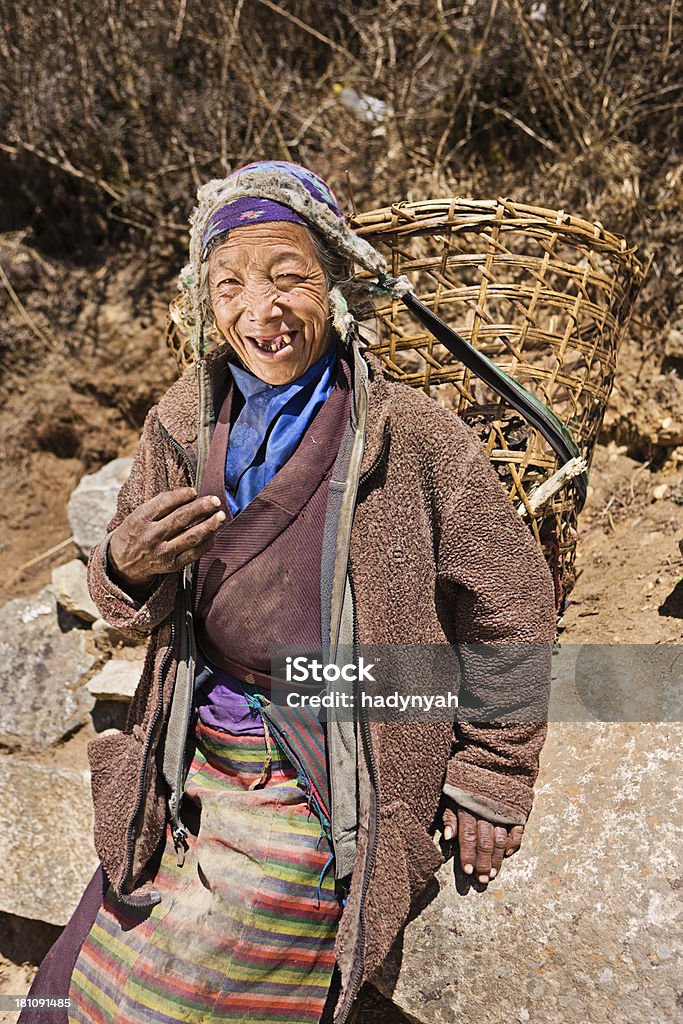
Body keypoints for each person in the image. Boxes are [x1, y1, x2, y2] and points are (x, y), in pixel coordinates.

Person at [21, 161, 555, 1024]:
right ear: (205, 301)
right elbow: (128, 607)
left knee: (184, 992)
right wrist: (124, 563)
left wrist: (490, 771)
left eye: (288, 277)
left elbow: (511, 598)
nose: (258, 311)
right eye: (228, 283)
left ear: (336, 288)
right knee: (70, 980)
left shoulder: (407, 432)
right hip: (196, 731)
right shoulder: (185, 414)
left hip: (331, 737)